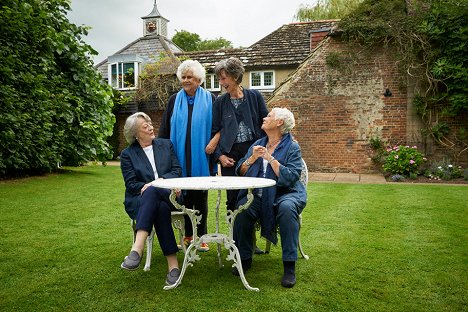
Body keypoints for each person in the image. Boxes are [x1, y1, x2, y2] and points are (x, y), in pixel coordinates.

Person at [233, 107, 307, 288]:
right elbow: (240, 171)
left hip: (286, 193)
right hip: (259, 194)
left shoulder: (292, 147)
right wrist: (251, 159)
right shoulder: (258, 143)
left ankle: (289, 266)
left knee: (287, 209)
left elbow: (290, 177)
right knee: (242, 209)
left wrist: (269, 157)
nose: (265, 117)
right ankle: (244, 257)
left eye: (270, 116)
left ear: (280, 123)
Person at [212, 56, 269, 254]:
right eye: (219, 79)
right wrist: (220, 156)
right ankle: (234, 243)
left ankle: (249, 244)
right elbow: (215, 131)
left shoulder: (255, 97)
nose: (221, 83)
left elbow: (265, 124)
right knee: (232, 199)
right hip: (230, 155)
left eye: (224, 78)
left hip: (252, 152)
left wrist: (264, 149)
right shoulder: (220, 102)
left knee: (251, 197)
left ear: (236, 77)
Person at [159, 60, 217, 252]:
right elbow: (165, 130)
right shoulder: (174, 100)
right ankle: (186, 236)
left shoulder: (211, 99)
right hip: (179, 158)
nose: (185, 80)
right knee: (182, 197)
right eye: (183, 77)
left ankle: (201, 237)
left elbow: (219, 128)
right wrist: (163, 155)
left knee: (200, 197)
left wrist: (214, 142)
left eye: (189, 77)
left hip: (202, 158)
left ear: (199, 79)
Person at [119, 112, 182, 286]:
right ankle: (173, 266)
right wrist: (152, 186)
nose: (151, 127)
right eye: (145, 126)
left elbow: (177, 171)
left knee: (154, 190)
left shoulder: (165, 144)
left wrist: (158, 182)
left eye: (150, 123)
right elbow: (132, 184)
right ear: (136, 134)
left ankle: (136, 249)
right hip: (140, 200)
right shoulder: (127, 154)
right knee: (160, 208)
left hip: (169, 194)